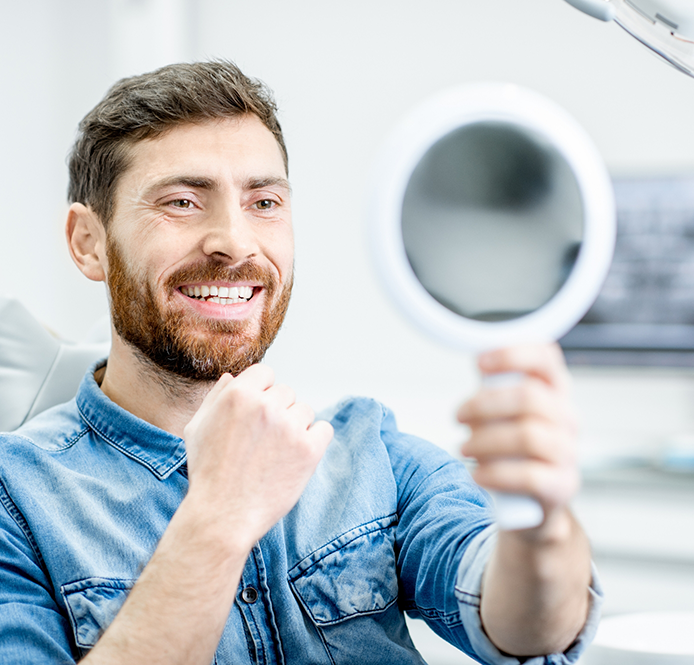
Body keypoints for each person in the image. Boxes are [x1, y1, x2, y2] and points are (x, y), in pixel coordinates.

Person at [0, 61, 601, 665]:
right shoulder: (16, 501)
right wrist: (218, 516)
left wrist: (541, 527)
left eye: (264, 201)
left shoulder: (370, 453)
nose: (234, 241)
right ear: (89, 242)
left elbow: (526, 629)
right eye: (183, 202)